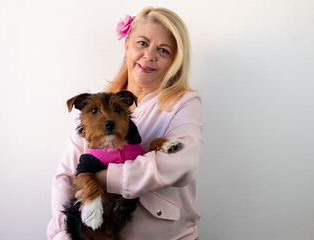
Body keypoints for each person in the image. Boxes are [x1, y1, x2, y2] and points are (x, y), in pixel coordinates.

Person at [47, 6, 203, 240]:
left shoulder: (183, 102)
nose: (149, 55)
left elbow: (183, 163)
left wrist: (103, 178)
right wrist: (62, 235)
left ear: (174, 60)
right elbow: (65, 177)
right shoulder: (97, 106)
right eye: (142, 43)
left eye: (163, 50)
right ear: (127, 46)